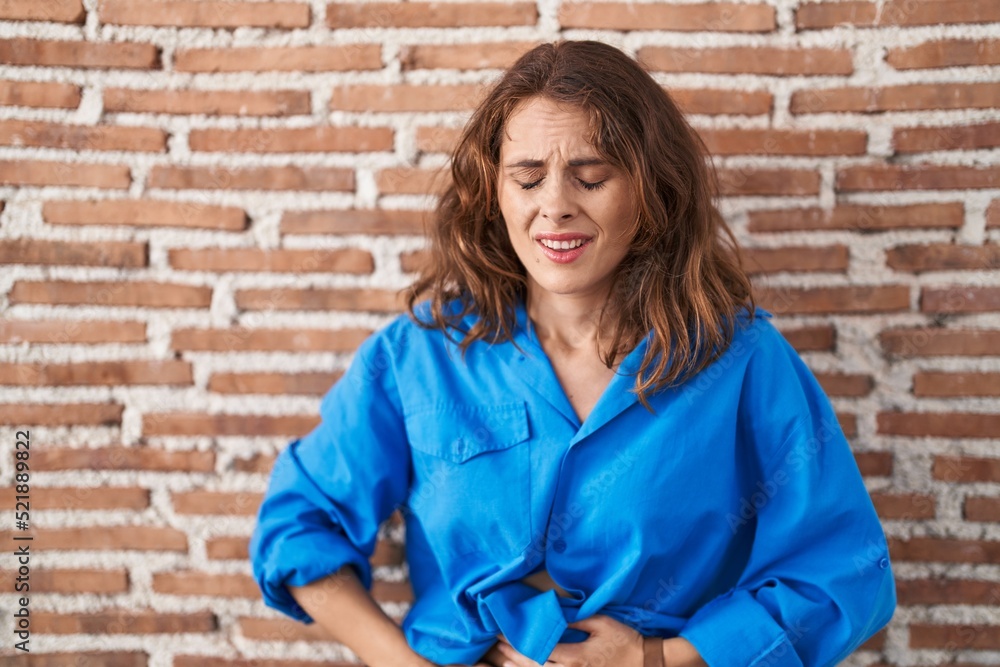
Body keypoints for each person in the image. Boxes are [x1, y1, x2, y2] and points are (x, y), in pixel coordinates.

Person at [250, 40, 896, 667]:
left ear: (651, 191)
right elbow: (299, 527)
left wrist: (658, 658)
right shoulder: (420, 356)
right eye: (527, 179)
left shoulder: (742, 360)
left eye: (591, 177)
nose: (554, 206)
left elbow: (842, 572)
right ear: (493, 193)